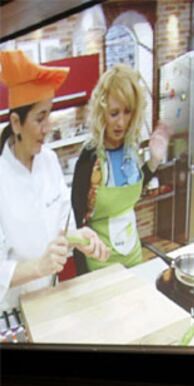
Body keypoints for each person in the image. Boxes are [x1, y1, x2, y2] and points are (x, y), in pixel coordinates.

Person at [0, 50, 109, 312]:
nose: (48, 126)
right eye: (40, 118)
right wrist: (39, 266)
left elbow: (60, 230)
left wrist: (80, 238)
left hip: (51, 297)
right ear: (16, 122)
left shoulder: (49, 161)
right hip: (12, 309)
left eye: (49, 115)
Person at [71, 63, 170, 274]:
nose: (121, 123)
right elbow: (76, 221)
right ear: (102, 111)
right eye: (114, 113)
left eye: (127, 112)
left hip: (133, 255)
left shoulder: (130, 148)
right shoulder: (90, 157)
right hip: (100, 262)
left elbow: (134, 190)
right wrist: (82, 276)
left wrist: (154, 161)